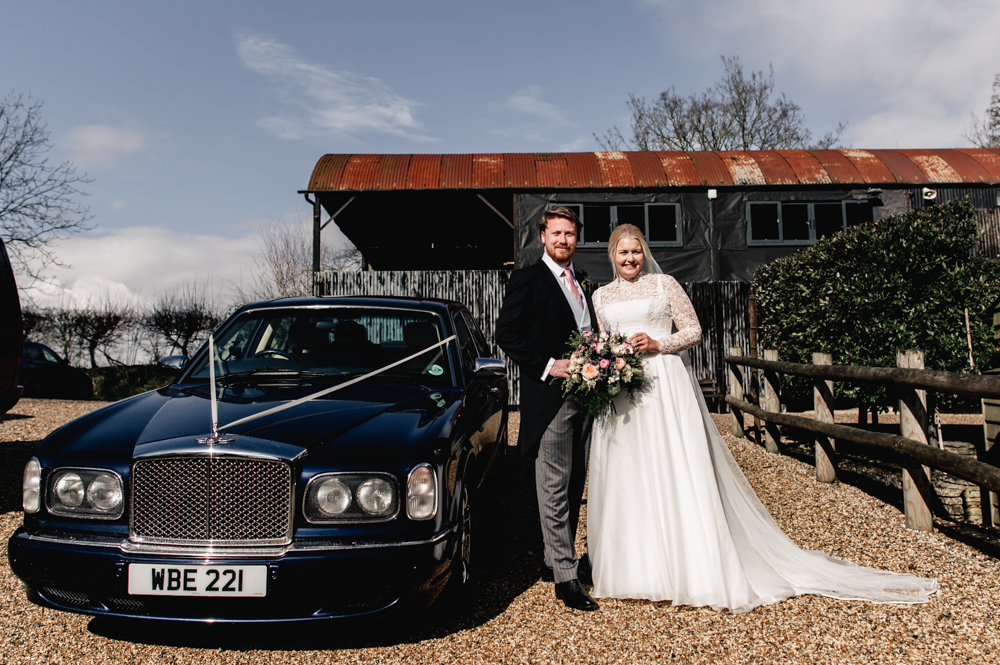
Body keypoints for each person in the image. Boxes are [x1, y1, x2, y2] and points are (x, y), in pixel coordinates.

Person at [587, 224, 937, 612]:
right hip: (623, 393)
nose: (631, 259)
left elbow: (693, 331)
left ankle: (687, 569)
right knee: (630, 475)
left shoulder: (664, 284)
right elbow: (603, 343)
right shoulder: (600, 295)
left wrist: (657, 343)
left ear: (644, 252)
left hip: (665, 386)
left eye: (636, 251)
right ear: (611, 256)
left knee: (674, 469)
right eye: (623, 253)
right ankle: (635, 571)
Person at [495, 207, 600, 612]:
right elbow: (507, 334)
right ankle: (565, 578)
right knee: (553, 486)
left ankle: (552, 560)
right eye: (556, 233)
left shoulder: (583, 280)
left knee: (576, 483)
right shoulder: (527, 279)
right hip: (552, 398)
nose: (563, 240)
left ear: (577, 238)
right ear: (543, 237)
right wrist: (546, 365)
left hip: (588, 395)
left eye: (570, 234)